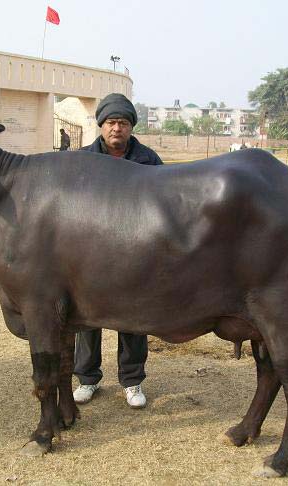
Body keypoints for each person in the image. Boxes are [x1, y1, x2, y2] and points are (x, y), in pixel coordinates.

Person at [73, 93, 163, 409]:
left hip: (134, 254)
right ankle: (87, 379)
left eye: (123, 123)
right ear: (101, 125)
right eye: (111, 122)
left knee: (134, 319)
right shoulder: (82, 161)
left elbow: (163, 207)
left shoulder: (148, 161)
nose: (117, 129)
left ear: (131, 127)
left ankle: (133, 381)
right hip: (90, 255)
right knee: (85, 319)